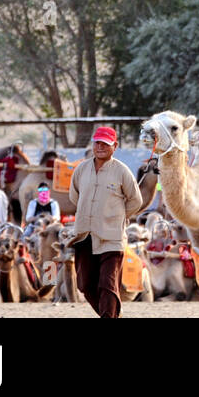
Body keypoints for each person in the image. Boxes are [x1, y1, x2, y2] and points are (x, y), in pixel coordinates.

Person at [69, 126, 143, 318]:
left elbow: (136, 200)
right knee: (85, 284)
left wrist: (116, 217)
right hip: (84, 234)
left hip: (112, 237)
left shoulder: (122, 171)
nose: (100, 147)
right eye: (97, 143)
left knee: (108, 284)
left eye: (105, 143)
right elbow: (74, 195)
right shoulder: (81, 169)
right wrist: (91, 213)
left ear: (115, 146)